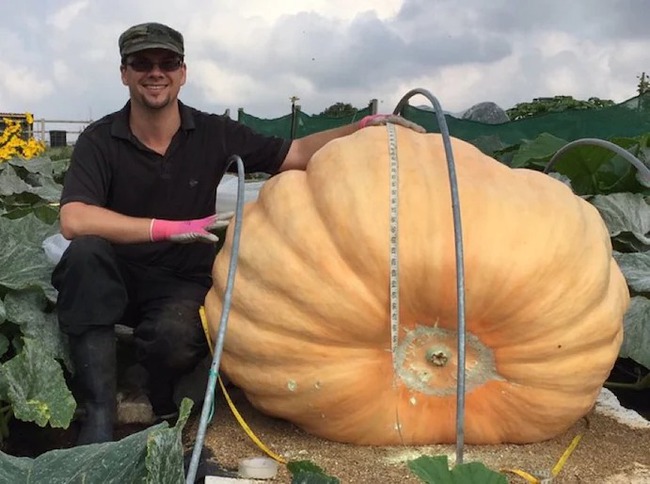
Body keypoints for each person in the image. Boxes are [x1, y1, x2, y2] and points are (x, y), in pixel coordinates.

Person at [52, 21, 424, 446]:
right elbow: (74, 218)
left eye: (167, 62)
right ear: (124, 73)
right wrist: (167, 229)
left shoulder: (213, 133)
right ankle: (99, 412)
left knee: (175, 339)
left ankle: (157, 392)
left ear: (183, 72)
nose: (155, 72)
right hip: (115, 274)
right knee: (84, 254)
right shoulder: (101, 140)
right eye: (142, 63)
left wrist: (360, 128)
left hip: (181, 281)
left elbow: (295, 153)